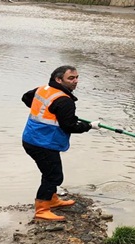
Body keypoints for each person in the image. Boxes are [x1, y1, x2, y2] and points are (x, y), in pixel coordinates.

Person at [22, 65, 100, 221]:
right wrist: (90, 126)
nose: (75, 81)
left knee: (51, 172)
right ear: (58, 79)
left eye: (77, 77)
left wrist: (51, 111)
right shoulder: (64, 101)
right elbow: (70, 126)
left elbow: (25, 98)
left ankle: (52, 199)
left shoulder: (43, 89)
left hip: (32, 138)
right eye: (71, 78)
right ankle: (42, 209)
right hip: (43, 143)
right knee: (53, 176)